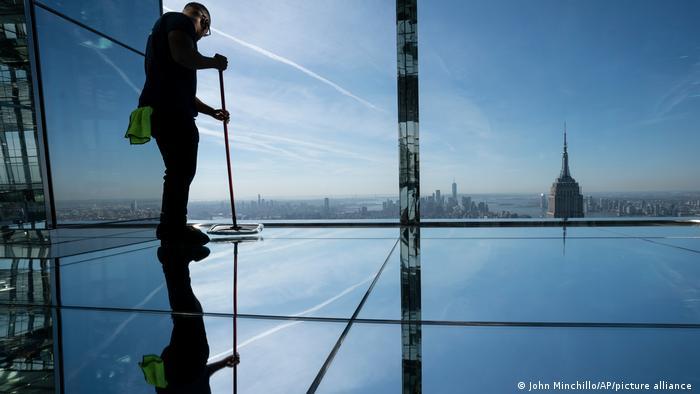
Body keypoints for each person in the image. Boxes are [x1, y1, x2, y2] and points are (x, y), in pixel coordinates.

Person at [138, 2, 228, 245]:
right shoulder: (180, 22)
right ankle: (173, 228)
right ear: (203, 21)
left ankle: (172, 226)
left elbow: (181, 89)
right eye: (204, 29)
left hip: (162, 108)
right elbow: (183, 56)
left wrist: (211, 112)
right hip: (172, 112)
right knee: (181, 171)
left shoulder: (163, 31)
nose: (200, 36)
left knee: (178, 171)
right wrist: (214, 63)